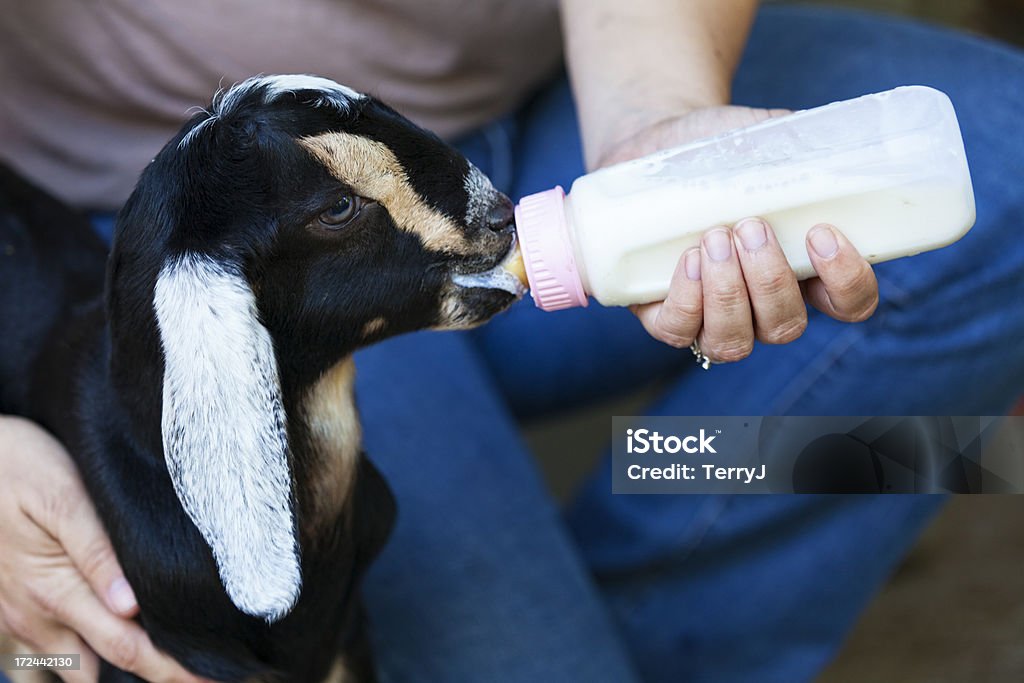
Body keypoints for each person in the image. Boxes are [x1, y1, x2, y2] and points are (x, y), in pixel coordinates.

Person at [1, 1, 1022, 681]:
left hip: (519, 124)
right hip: (188, 248)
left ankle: (678, 621)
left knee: (1005, 176)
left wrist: (654, 116)